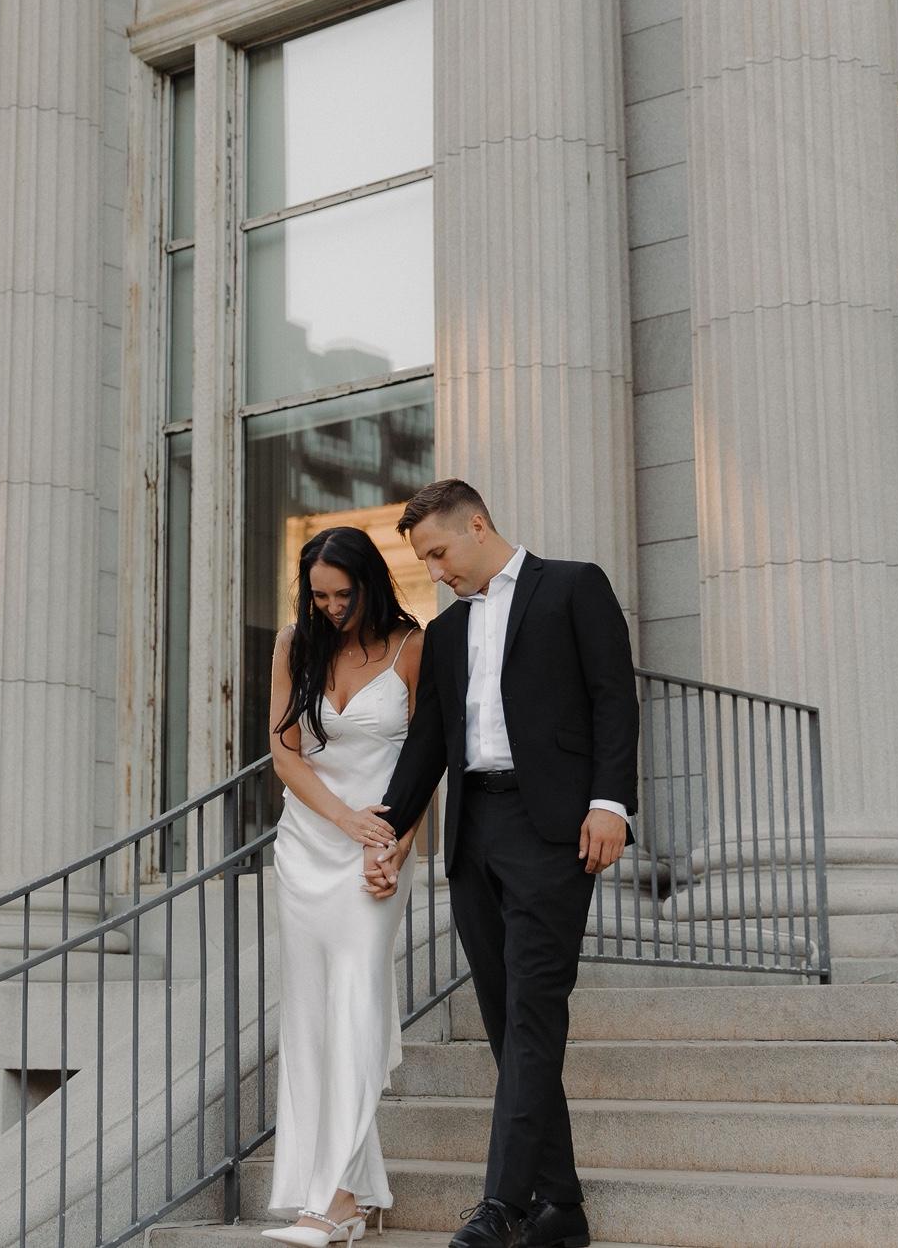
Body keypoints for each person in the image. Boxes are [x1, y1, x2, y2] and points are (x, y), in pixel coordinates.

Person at [365, 479, 639, 1248]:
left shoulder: (575, 587)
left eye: (438, 553)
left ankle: (504, 1207)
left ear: (477, 526)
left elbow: (614, 698)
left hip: (554, 830)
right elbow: (428, 741)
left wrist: (611, 803)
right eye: (424, 560)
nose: (434, 571)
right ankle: (563, 1207)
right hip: (475, 833)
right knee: (502, 1019)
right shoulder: (446, 631)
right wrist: (387, 827)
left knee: (531, 1015)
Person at [262, 525, 425, 1248]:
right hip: (306, 847)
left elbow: (426, 761)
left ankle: (331, 1199)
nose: (330, 607)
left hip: (379, 855)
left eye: (343, 594)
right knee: (310, 1020)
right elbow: (285, 755)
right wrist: (343, 820)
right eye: (319, 595)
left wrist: (393, 844)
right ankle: (341, 1197)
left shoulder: (412, 647)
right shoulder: (295, 643)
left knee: (356, 1008)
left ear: (370, 584)